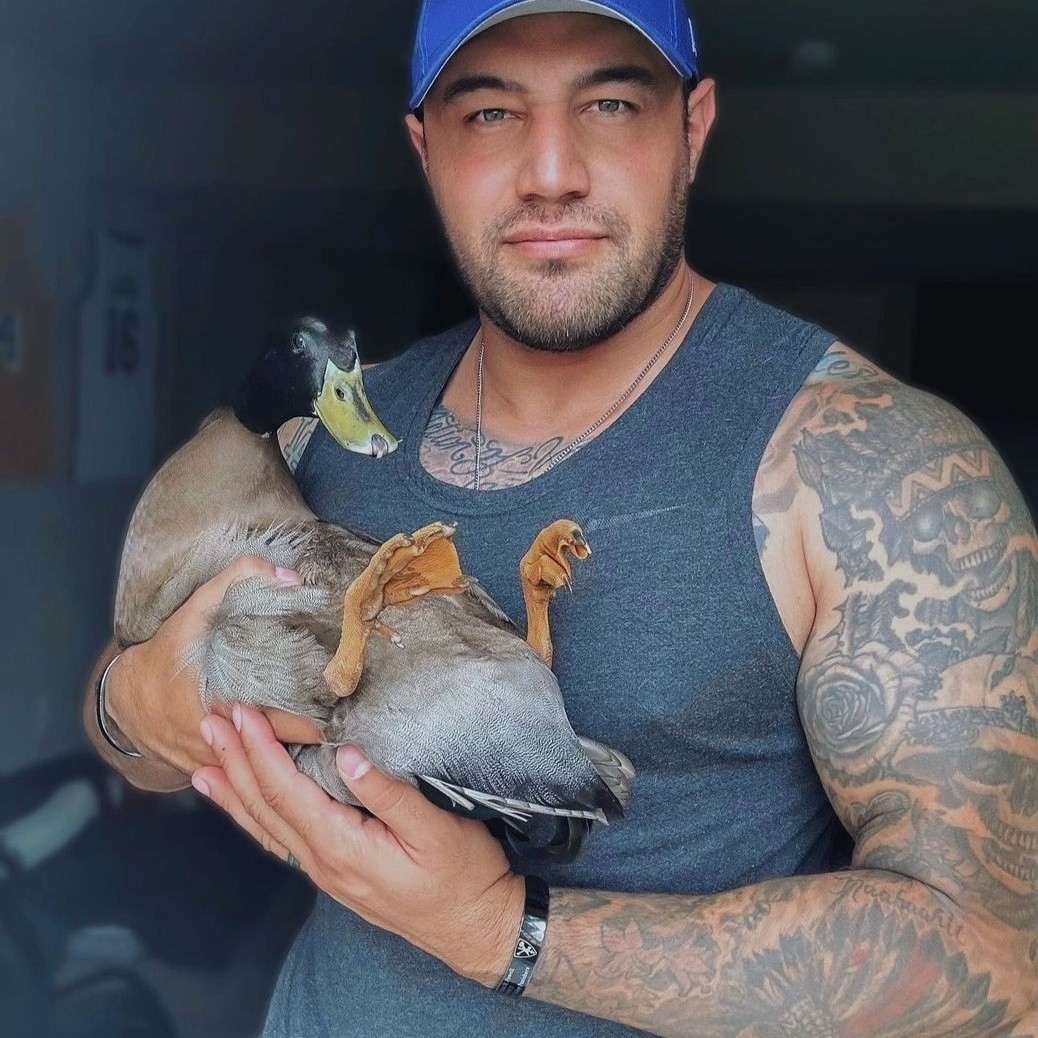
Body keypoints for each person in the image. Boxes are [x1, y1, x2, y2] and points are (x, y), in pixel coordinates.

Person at [83, 1, 1037, 1034]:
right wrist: (130, 703)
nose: (550, 172)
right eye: (491, 112)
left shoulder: (871, 467)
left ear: (693, 128)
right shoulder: (325, 435)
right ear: (427, 148)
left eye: (610, 104)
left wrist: (502, 929)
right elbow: (141, 717)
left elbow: (996, 968)